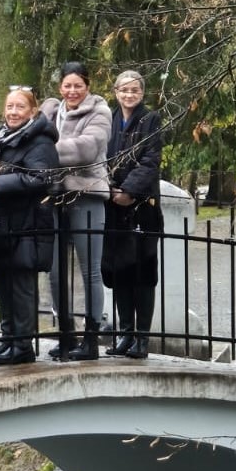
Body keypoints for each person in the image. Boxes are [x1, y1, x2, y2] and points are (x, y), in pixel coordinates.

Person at [0, 86, 60, 365]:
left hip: (27, 221)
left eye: (20, 107)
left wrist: (0, 185)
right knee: (3, 281)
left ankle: (23, 345)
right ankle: (8, 339)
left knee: (22, 285)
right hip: (4, 221)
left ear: (32, 111)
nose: (13, 112)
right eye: (10, 107)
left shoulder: (40, 141)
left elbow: (42, 178)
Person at [39, 62, 112, 361]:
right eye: (67, 86)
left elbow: (86, 149)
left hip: (87, 194)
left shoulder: (100, 112)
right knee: (55, 270)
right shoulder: (50, 111)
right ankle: (66, 333)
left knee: (90, 270)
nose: (72, 91)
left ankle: (91, 337)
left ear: (87, 86)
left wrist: (42, 152)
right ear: (60, 87)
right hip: (53, 195)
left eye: (77, 86)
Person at [103, 70, 164, 360]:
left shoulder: (150, 120)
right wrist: (110, 189)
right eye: (124, 90)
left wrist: (128, 191)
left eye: (134, 90)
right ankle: (125, 333)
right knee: (119, 274)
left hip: (142, 209)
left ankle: (142, 338)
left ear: (142, 93)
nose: (129, 95)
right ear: (116, 91)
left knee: (143, 275)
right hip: (112, 207)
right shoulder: (109, 119)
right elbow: (100, 157)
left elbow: (150, 161)